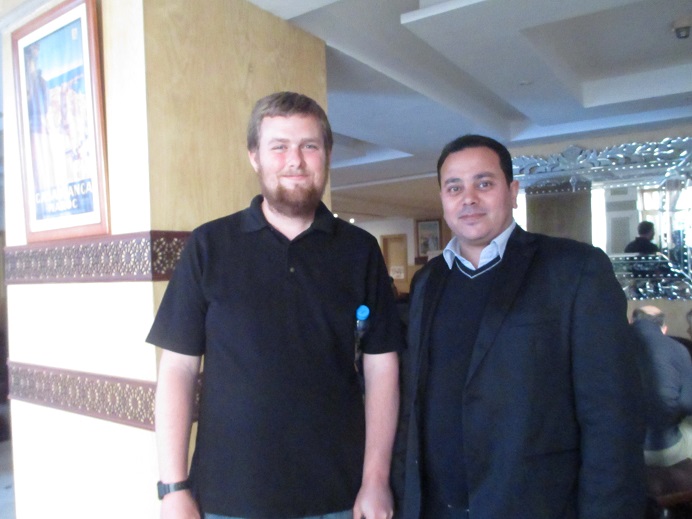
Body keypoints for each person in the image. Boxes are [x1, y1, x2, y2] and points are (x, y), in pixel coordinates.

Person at [148, 92, 402, 519]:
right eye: (279, 146)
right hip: (228, 499)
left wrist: (376, 480)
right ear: (255, 157)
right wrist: (173, 488)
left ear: (327, 155)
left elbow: (382, 368)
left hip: (338, 497)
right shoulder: (209, 246)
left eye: (309, 146)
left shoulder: (360, 251)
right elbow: (178, 369)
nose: (295, 161)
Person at [392, 134, 646, 518]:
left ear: (512, 192)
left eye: (484, 183)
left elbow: (613, 415)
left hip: (533, 505)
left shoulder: (574, 269)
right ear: (443, 198)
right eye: (454, 187)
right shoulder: (429, 280)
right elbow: (415, 398)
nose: (468, 198)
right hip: (435, 507)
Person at [631, 306, 692, 467]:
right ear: (664, 329)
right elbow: (688, 403)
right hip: (663, 447)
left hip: (618, 446)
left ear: (631, 322)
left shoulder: (609, 347)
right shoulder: (678, 349)